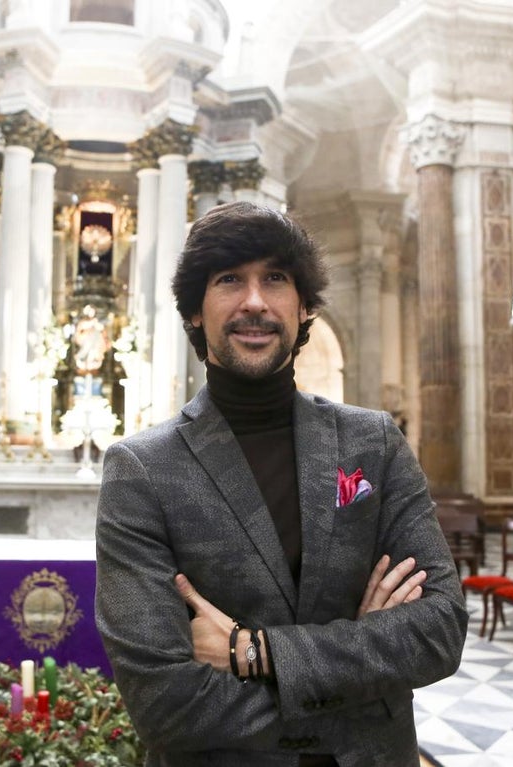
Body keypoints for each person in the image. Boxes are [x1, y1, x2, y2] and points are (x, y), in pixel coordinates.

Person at [95, 201, 468, 766]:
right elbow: (165, 702)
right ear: (195, 311)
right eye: (229, 280)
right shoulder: (142, 468)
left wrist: (255, 650)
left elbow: (438, 629)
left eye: (275, 278)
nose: (254, 301)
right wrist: (363, 681)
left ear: (303, 305)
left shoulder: (373, 442)